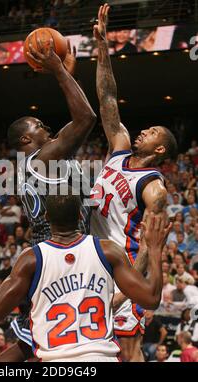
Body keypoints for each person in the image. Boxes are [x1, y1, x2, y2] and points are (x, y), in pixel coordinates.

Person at [0, 191, 171, 362]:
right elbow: (151, 299)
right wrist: (154, 249)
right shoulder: (107, 250)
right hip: (101, 356)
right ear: (79, 215)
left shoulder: (31, 259)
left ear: (46, 217)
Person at [91, 4, 178, 362]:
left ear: (160, 149)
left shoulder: (154, 188)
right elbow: (107, 98)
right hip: (92, 259)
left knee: (128, 349)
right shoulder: (119, 148)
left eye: (152, 132)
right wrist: (102, 47)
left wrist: (125, 292)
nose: (143, 130)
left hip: (123, 268)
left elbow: (148, 248)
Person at [1, 39, 96, 360]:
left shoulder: (33, 163)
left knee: (37, 340)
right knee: (41, 342)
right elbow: (85, 118)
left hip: (50, 251)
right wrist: (57, 69)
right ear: (27, 139)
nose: (48, 126)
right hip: (58, 253)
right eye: (39, 126)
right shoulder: (42, 158)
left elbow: (74, 110)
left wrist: (65, 68)